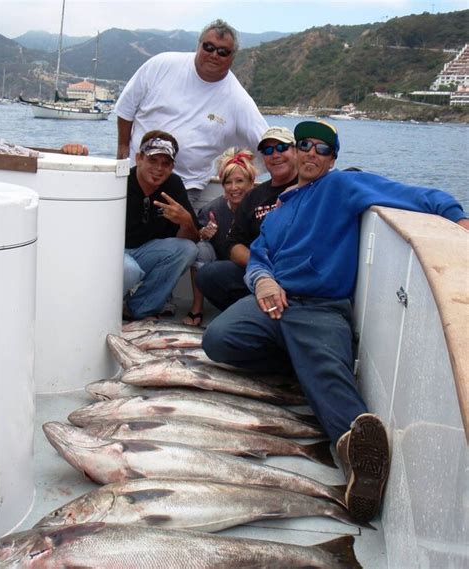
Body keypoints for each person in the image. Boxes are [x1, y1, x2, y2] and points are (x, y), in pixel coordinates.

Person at [202, 120, 469, 523]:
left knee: (327, 371)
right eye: (304, 144)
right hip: (275, 301)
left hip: (320, 306)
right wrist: (264, 281)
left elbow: (413, 195)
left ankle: (355, 453)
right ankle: (298, 362)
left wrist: (457, 217)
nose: (311, 153)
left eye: (322, 148)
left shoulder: (341, 187)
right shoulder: (278, 211)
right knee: (218, 340)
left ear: (332, 159)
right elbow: (259, 254)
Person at [114, 19, 268, 209]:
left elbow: (267, 142)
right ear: (198, 45)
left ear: (233, 57)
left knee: (173, 238)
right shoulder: (161, 64)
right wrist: (122, 146)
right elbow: (126, 108)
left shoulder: (239, 100)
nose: (214, 55)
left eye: (223, 51)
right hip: (136, 175)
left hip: (186, 186)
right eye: (208, 47)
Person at [195, 126, 298, 310]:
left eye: (282, 147)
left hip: (296, 273)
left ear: (296, 151)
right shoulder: (254, 197)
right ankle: (249, 313)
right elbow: (233, 245)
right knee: (208, 275)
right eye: (268, 150)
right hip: (259, 270)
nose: (275, 154)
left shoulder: (312, 187)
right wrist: (262, 268)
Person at [123, 129, 199, 321]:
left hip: (145, 253)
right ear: (139, 158)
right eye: (152, 160)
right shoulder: (120, 180)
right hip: (114, 254)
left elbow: (192, 238)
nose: (159, 168)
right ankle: (106, 305)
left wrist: (186, 221)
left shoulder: (173, 185)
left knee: (187, 249)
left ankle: (139, 309)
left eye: (165, 163)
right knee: (129, 270)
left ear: (172, 167)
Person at [183, 147, 257, 326]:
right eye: (228, 182)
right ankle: (197, 309)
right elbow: (196, 237)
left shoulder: (261, 207)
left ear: (251, 182)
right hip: (223, 269)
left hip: (252, 268)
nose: (234, 188)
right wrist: (203, 234)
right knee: (200, 248)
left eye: (240, 181)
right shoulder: (211, 210)